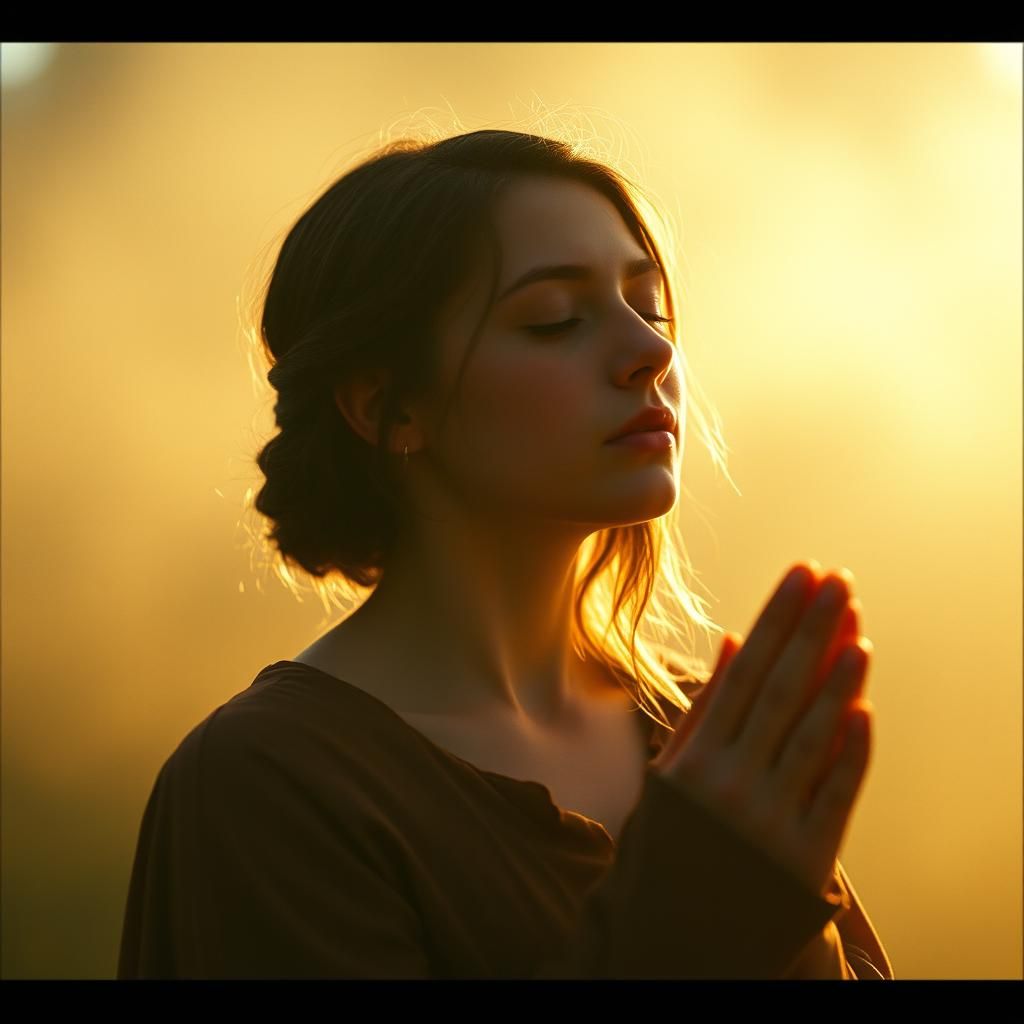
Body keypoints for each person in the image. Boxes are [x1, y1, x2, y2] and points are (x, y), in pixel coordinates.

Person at [117, 129, 894, 980]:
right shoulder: (271, 783)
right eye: (555, 320)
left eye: (650, 306)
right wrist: (695, 906)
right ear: (389, 408)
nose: (653, 353)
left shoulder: (707, 737)